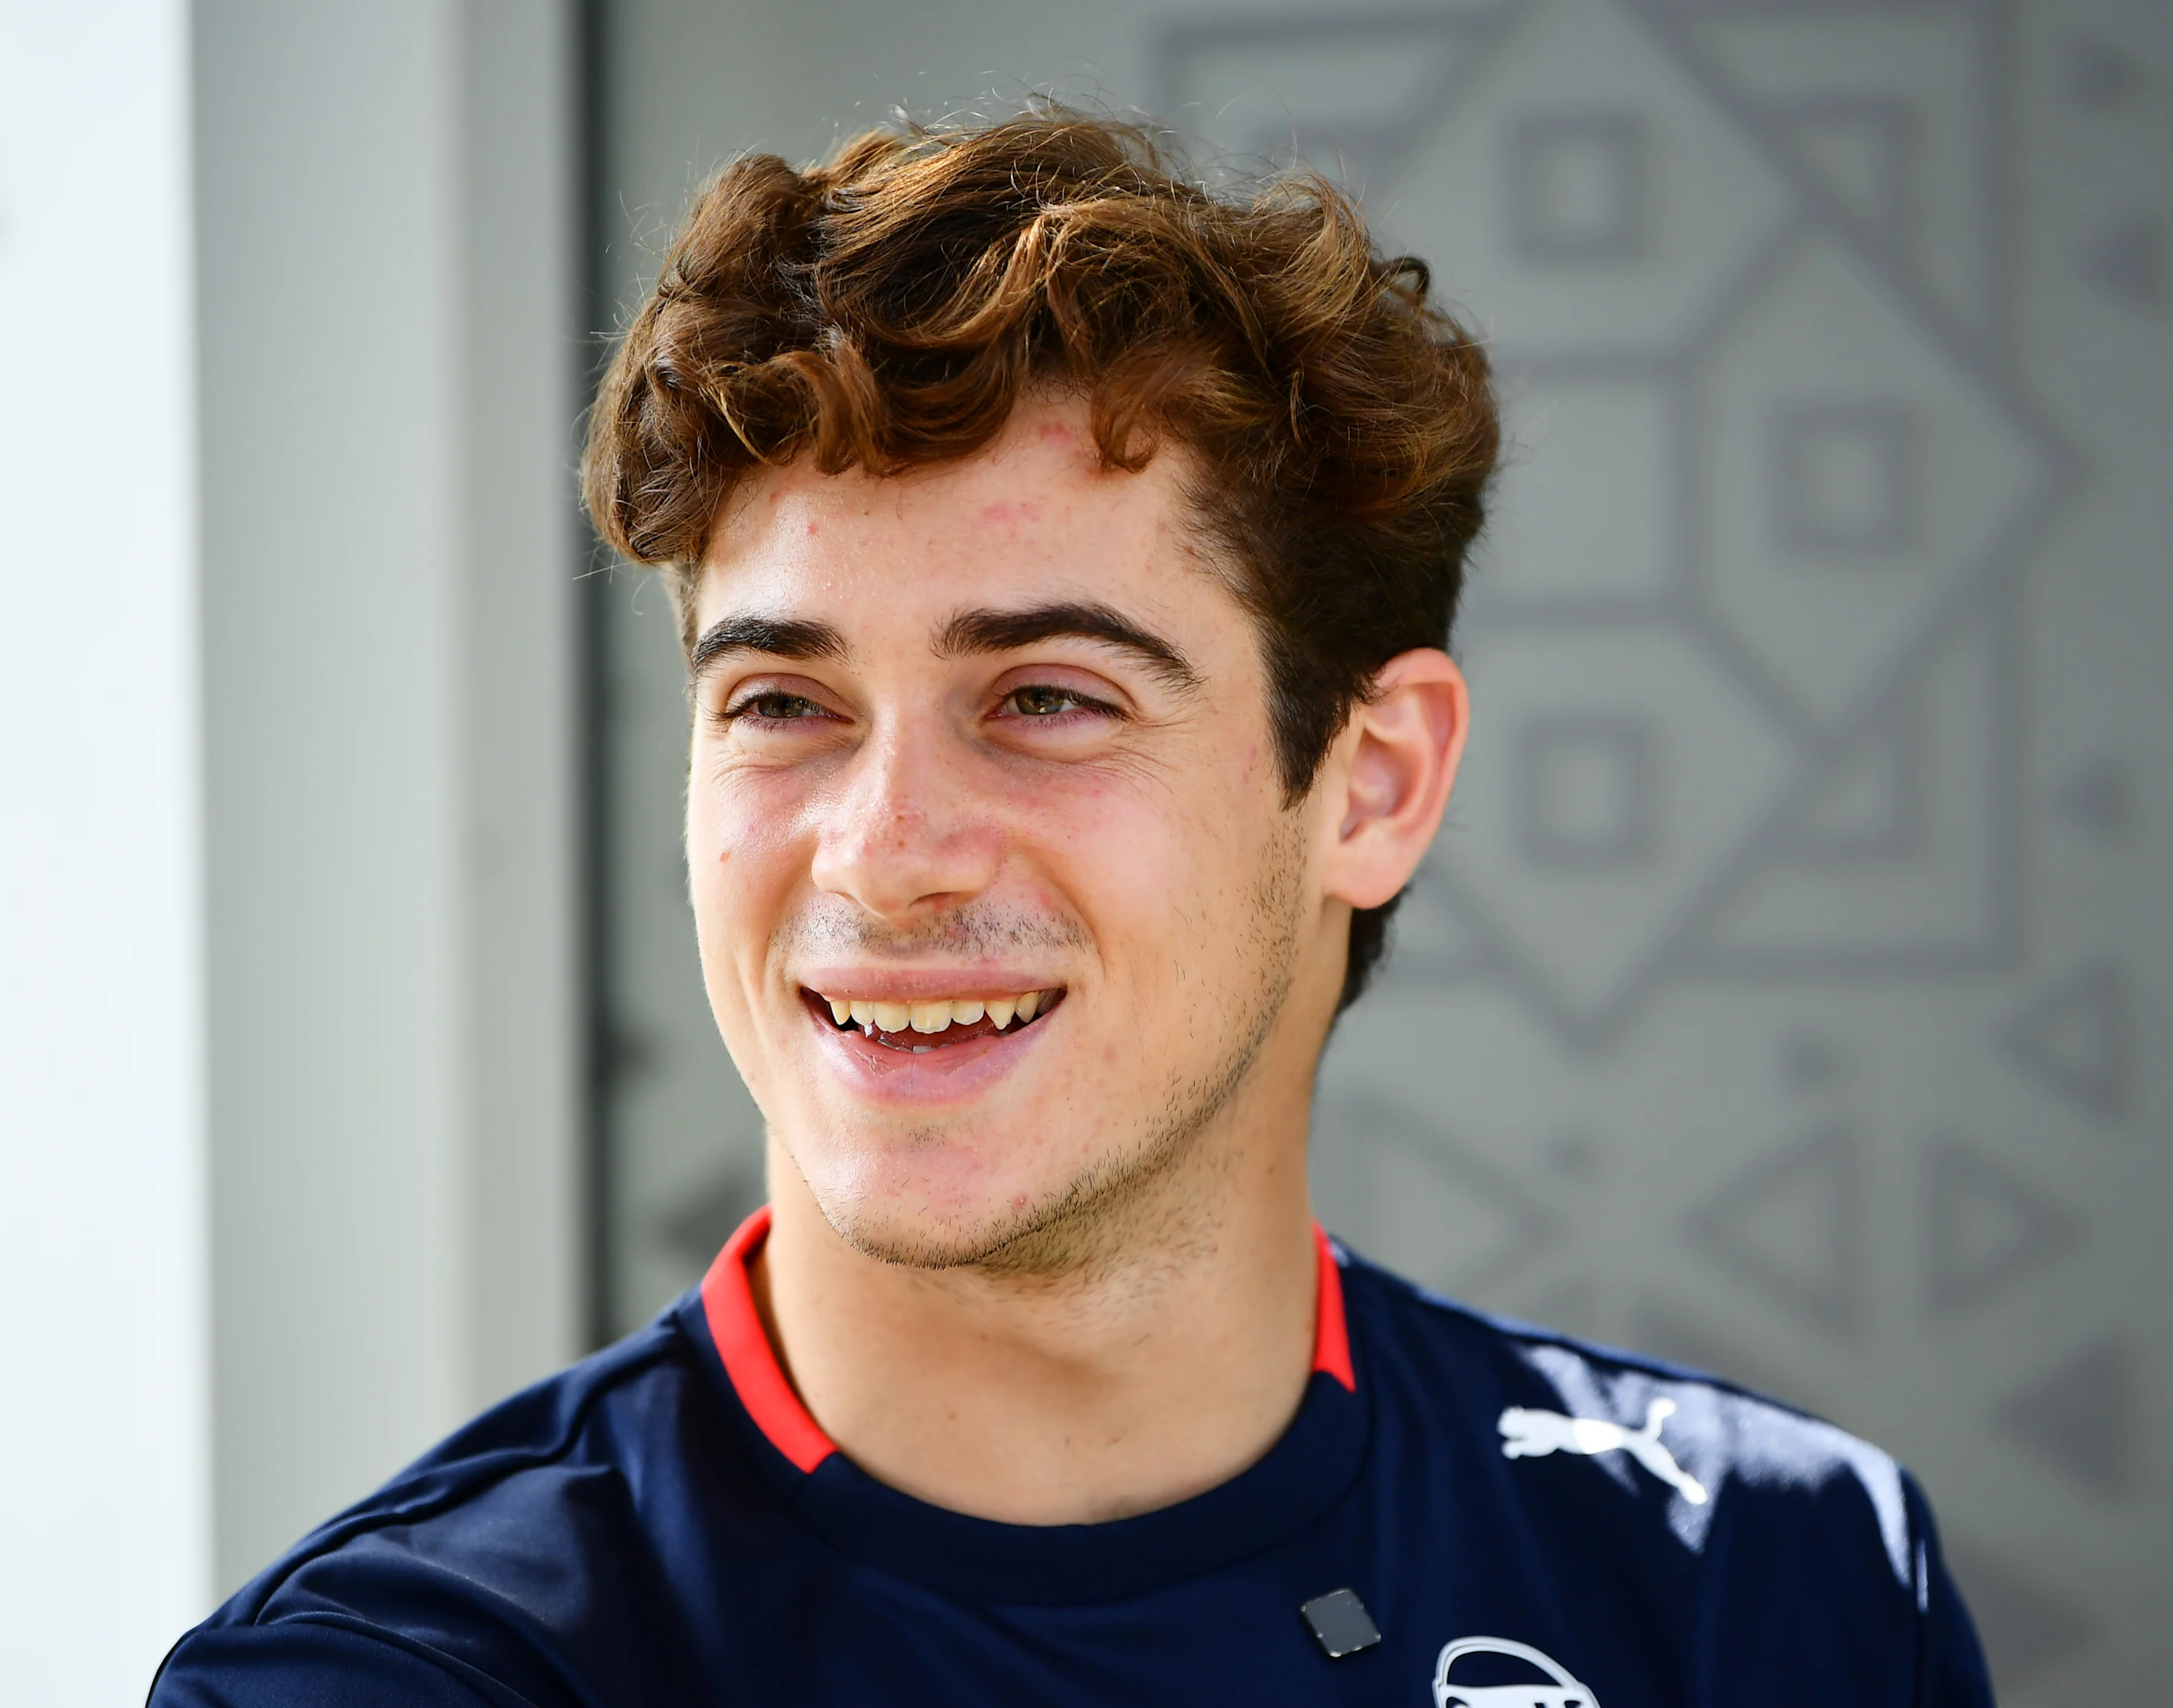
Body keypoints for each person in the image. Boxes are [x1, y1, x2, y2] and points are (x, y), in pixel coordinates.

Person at [153, 108, 1995, 1706]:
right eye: (780, 703)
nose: (883, 852)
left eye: (1045, 696)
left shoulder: (1775, 1587)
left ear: (1370, 780)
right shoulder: (402, 1670)